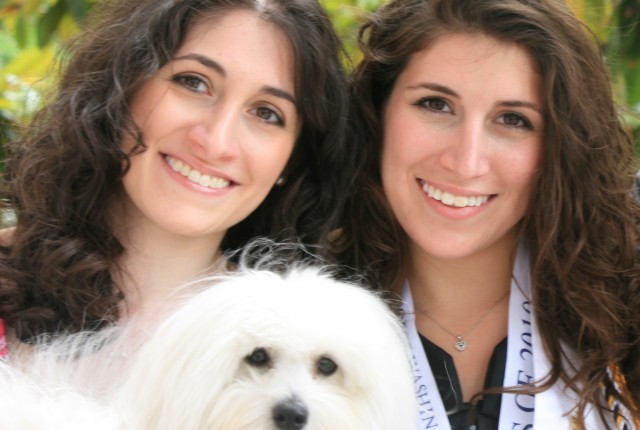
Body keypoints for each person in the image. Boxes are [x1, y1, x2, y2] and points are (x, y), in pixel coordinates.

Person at [338, 0, 640, 428]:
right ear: (377, 112)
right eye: (435, 104)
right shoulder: (289, 314)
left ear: (562, 147)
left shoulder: (624, 316)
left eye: (513, 119)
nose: (466, 161)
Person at [0, 0, 352, 354]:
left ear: (293, 159)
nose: (216, 142)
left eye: (267, 113)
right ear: (121, 87)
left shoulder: (302, 351)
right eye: (194, 83)